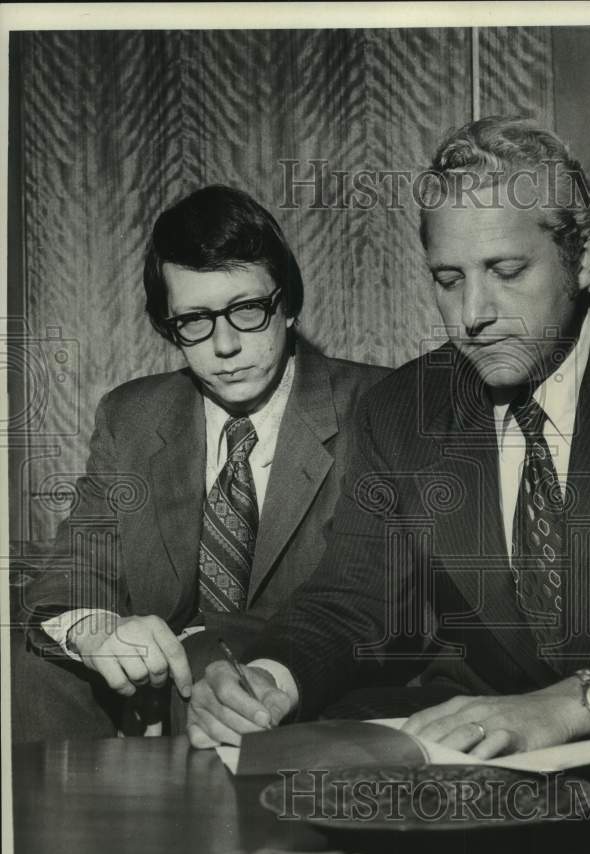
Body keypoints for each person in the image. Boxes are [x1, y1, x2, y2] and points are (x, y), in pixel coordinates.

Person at [186, 118, 590, 757]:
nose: (473, 314)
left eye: (505, 270)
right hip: (475, 773)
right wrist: (269, 681)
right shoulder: (400, 410)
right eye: (449, 280)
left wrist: (576, 703)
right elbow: (352, 601)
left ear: (584, 260)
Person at [16, 184, 387, 740]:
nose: (225, 345)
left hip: (291, 698)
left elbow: (379, 609)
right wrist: (96, 630)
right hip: (144, 707)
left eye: (247, 310)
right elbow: (71, 577)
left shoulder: (376, 408)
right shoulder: (131, 417)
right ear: (168, 325)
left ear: (287, 304)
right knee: (27, 670)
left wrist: (203, 652)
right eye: (194, 320)